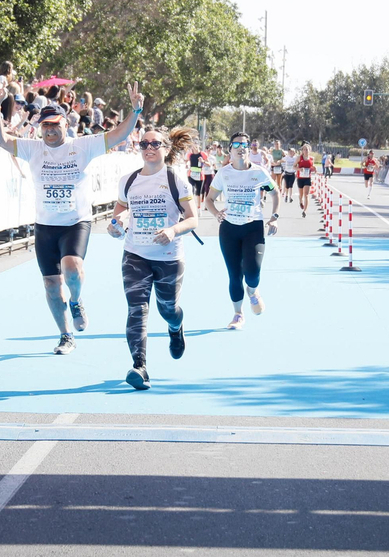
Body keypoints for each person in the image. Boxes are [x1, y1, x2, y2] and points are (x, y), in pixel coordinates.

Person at [0, 80, 144, 354]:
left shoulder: (82, 145)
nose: (50, 130)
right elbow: (0, 139)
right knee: (50, 284)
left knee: (72, 268)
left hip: (75, 223)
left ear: (65, 125)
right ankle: (65, 335)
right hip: (45, 226)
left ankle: (77, 299)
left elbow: (119, 135)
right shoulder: (32, 148)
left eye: (55, 125)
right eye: (45, 125)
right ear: (40, 128)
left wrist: (135, 111)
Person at [108, 126, 199, 390]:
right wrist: (115, 227)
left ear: (165, 149)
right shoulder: (127, 180)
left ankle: (175, 328)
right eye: (144, 144)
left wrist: (172, 230)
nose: (149, 148)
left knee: (167, 309)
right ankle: (140, 366)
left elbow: (193, 219)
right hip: (135, 254)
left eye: (155, 144)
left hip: (169, 257)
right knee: (137, 309)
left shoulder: (176, 179)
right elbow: (121, 214)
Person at [203, 131, 278, 329]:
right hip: (229, 229)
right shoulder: (224, 173)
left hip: (253, 227)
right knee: (234, 275)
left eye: (244, 144)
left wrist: (274, 217)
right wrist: (216, 213)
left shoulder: (259, 172)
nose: (241, 148)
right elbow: (209, 200)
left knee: (252, 272)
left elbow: (275, 192)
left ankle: (253, 291)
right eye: (236, 145)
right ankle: (238, 314)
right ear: (230, 150)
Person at [295, 143, 316, 216]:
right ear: (302, 151)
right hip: (300, 178)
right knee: (301, 194)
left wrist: (314, 169)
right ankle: (300, 201)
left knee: (306, 194)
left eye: (307, 149)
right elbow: (294, 167)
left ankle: (305, 211)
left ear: (310, 150)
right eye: (304, 149)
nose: (306, 151)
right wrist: (299, 169)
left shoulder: (312, 158)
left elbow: (312, 167)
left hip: (308, 178)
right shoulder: (299, 158)